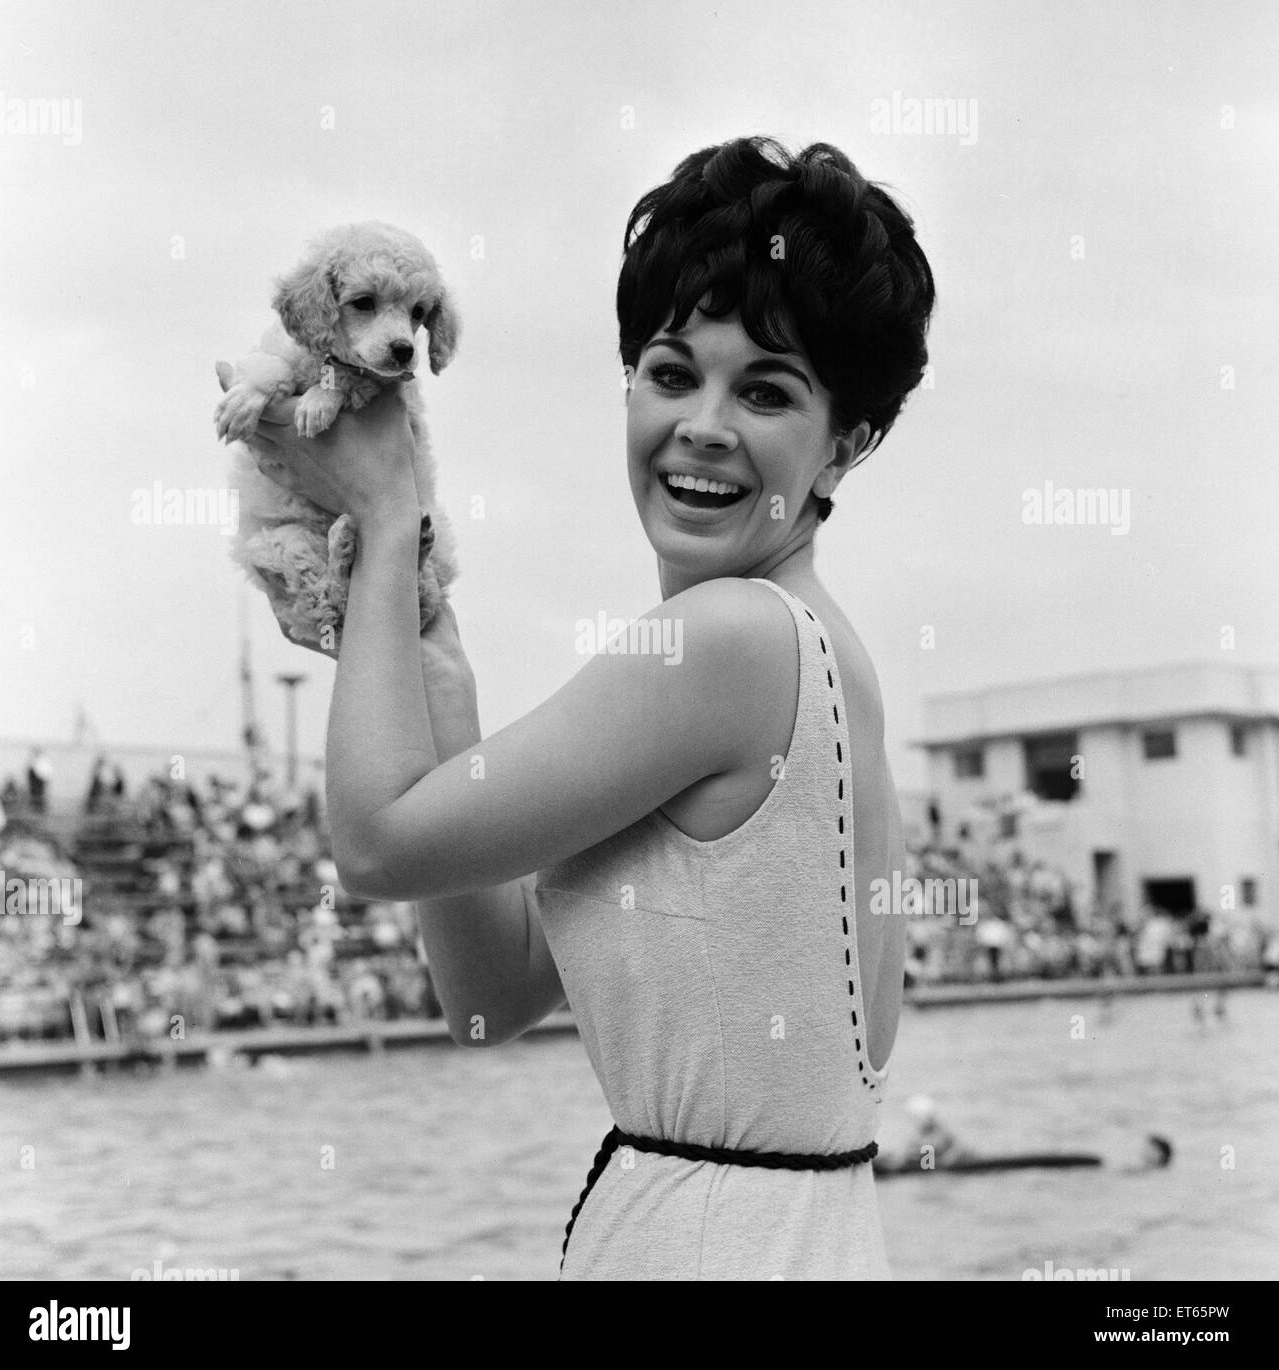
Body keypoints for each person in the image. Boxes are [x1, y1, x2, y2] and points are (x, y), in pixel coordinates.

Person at [222, 135, 934, 1280]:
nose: (702, 422)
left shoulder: (731, 639)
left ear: (845, 444)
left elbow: (372, 839)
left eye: (763, 389)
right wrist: (435, 668)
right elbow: (487, 993)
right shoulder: (809, 651)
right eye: (668, 371)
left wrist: (387, 507)